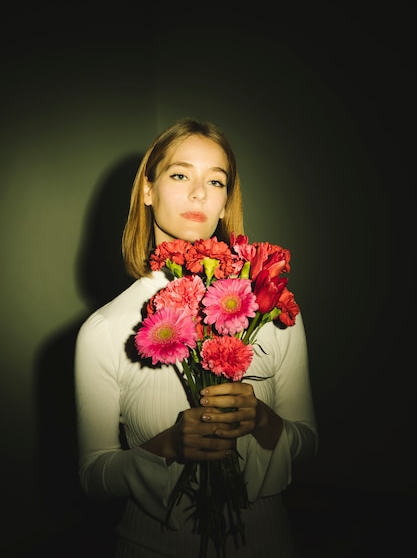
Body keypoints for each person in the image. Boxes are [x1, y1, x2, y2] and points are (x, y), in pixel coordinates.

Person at [74, 117, 318, 558]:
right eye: (180, 174)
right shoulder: (104, 330)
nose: (199, 193)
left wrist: (263, 421)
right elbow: (94, 476)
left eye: (216, 181)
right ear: (147, 190)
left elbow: (307, 442)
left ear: (227, 202)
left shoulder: (272, 311)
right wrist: (165, 447)